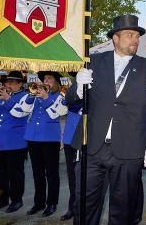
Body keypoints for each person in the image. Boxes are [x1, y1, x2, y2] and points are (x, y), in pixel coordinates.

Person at [65, 14, 146, 225]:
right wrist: (78, 89)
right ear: (115, 39)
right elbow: (71, 100)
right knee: (84, 207)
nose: (135, 40)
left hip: (130, 151)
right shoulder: (92, 61)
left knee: (124, 211)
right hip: (92, 148)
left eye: (137, 36)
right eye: (129, 35)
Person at [24, 71, 67, 217]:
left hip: (49, 138)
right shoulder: (35, 94)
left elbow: (57, 113)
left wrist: (46, 97)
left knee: (51, 173)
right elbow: (24, 110)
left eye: (50, 78)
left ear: (56, 82)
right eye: (44, 78)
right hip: (33, 137)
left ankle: (52, 203)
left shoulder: (60, 96)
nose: (46, 81)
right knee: (37, 173)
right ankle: (39, 202)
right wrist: (31, 95)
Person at [0, 71, 29, 213]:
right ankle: (2, 198)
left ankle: (16, 200)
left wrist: (7, 99)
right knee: (0, 173)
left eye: (13, 82)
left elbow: (19, 112)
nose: (8, 84)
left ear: (20, 84)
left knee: (15, 173)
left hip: (15, 141)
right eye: (7, 82)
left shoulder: (25, 96)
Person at [60, 77, 82, 221]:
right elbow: (66, 105)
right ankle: (72, 207)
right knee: (72, 176)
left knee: (83, 177)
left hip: (83, 139)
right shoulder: (72, 89)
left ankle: (81, 207)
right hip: (69, 139)